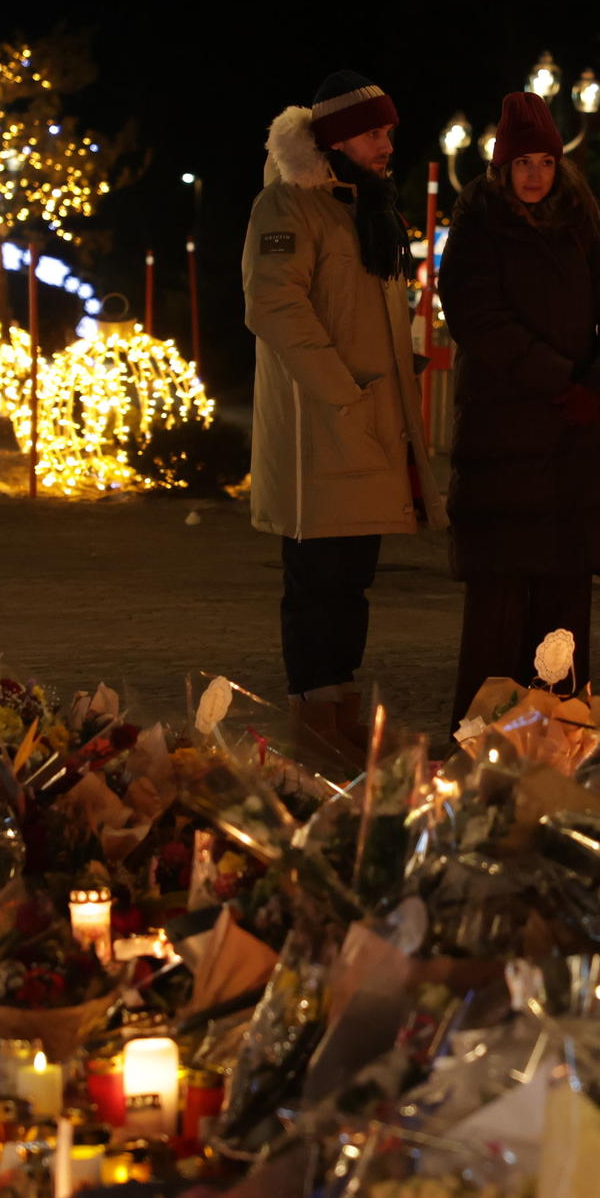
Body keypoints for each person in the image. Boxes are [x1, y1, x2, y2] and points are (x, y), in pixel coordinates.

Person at [243, 70, 444, 748]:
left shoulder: (367, 204)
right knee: (317, 582)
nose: (389, 142)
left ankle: (340, 712)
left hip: (367, 423)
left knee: (352, 580)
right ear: (335, 138)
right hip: (320, 427)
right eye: (375, 131)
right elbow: (274, 305)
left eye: (390, 130)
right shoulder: (288, 205)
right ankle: (314, 720)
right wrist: (341, 390)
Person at [439, 91, 600, 727]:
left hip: (571, 447)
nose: (535, 173)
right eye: (523, 161)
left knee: (563, 611)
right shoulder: (477, 229)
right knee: (499, 611)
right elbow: (480, 320)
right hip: (504, 444)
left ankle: (561, 733)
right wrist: (559, 379)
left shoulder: (582, 225)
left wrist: (599, 386)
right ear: (503, 168)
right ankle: (485, 737)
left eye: (546, 162)